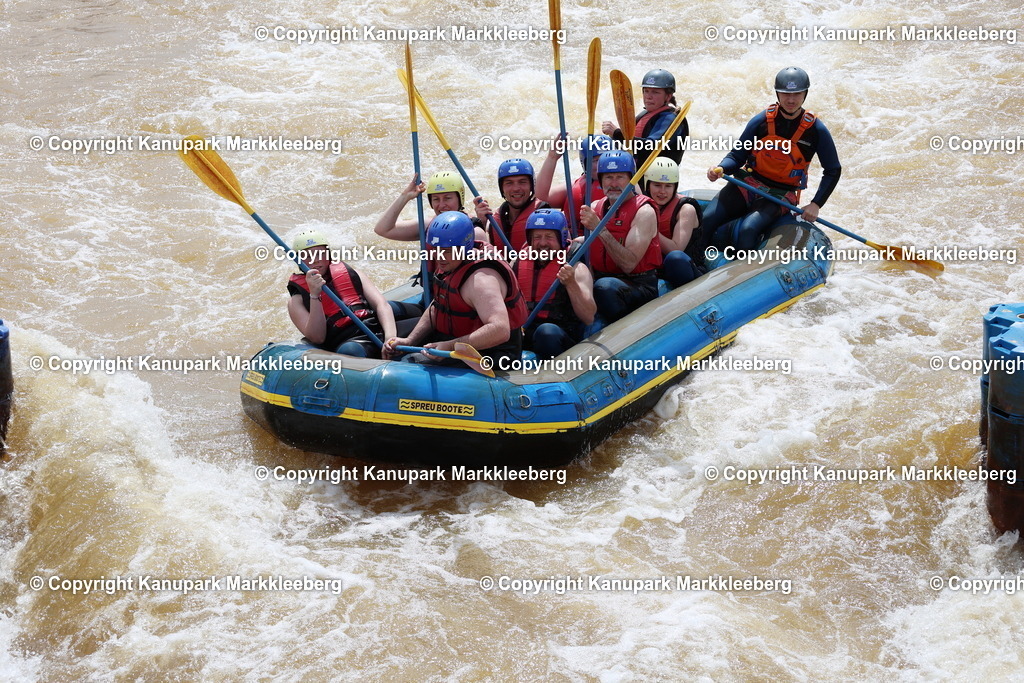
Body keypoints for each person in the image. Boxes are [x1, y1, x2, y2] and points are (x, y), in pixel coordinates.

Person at [705, 66, 842, 252]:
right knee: (707, 218)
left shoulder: (816, 130)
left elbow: (833, 170)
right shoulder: (761, 121)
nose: (791, 99)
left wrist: (816, 204)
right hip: (750, 183)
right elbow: (737, 155)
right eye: (785, 94)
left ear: (805, 94)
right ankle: (695, 265)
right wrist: (721, 168)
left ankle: (744, 274)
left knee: (748, 229)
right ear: (777, 94)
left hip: (781, 194)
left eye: (797, 94)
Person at [384, 212, 528, 365]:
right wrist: (410, 340)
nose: (439, 256)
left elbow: (500, 330)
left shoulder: (482, 280)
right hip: (457, 340)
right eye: (436, 249)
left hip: (494, 352)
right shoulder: (449, 263)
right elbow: (437, 307)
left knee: (410, 364)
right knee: (395, 350)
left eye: (446, 250)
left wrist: (450, 346)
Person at [287, 230, 400, 358]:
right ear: (298, 261)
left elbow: (381, 305)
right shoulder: (296, 301)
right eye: (307, 256)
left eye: (320, 254)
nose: (316, 260)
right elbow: (318, 337)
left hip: (375, 327)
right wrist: (314, 295)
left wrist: (390, 338)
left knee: (424, 323)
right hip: (350, 341)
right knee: (350, 351)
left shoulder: (354, 274)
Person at [579, 150, 661, 323]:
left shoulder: (644, 212)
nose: (613, 183)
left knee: (605, 288)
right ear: (601, 180)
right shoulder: (595, 206)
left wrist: (598, 228)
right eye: (608, 177)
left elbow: (629, 264)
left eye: (620, 177)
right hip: (602, 277)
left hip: (637, 284)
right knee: (574, 249)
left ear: (631, 179)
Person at [515, 209, 596, 359]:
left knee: (546, 332)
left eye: (549, 237)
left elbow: (589, 317)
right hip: (526, 331)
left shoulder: (577, 268)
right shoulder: (517, 263)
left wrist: (571, 284)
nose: (543, 243)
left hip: (559, 335)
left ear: (561, 237)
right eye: (537, 237)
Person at [602, 68, 689, 168]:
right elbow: (629, 143)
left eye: (655, 92)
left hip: (657, 179)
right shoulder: (646, 114)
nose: (648, 96)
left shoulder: (670, 119)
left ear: (668, 96)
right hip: (638, 172)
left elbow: (650, 147)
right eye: (646, 91)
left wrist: (617, 133)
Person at [374, 171, 488, 243]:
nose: (442, 205)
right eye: (436, 199)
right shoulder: (428, 226)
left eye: (447, 198)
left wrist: (483, 222)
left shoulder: (475, 232)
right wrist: (405, 196)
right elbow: (383, 229)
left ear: (460, 198)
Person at [641, 157, 704, 287]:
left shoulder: (686, 209)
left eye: (668, 186)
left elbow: (676, 249)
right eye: (657, 185)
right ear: (648, 185)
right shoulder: (643, 204)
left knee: (676, 258)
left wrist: (650, 229)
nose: (662, 191)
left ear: (675, 186)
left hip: (685, 267)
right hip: (656, 267)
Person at [536, 134, 611, 229]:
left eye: (604, 159)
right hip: (574, 241)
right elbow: (541, 198)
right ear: (584, 163)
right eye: (594, 161)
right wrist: (552, 158)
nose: (600, 165)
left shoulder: (624, 187)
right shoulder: (575, 185)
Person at [474, 159, 548, 251]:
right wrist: (481, 223)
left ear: (531, 186)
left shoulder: (546, 216)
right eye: (509, 183)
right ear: (502, 189)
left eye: (522, 182)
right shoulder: (492, 221)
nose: (516, 188)